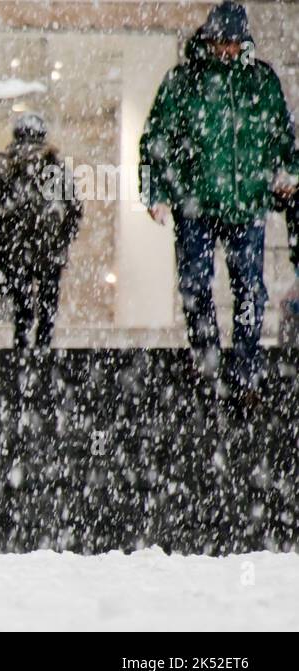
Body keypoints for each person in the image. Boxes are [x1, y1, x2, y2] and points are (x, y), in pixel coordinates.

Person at [141, 2, 299, 392]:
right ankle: (207, 357)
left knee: (249, 287)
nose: (226, 49)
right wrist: (153, 192)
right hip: (195, 202)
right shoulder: (183, 82)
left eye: (232, 42)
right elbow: (155, 141)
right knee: (195, 284)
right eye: (220, 42)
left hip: (246, 204)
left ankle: (245, 362)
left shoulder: (261, 82)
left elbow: (283, 136)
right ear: (209, 39)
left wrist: (290, 171)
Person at [0, 113, 82, 350]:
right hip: (49, 246)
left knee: (21, 300)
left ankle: (21, 344)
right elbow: (73, 206)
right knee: (48, 298)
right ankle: (44, 344)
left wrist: (2, 235)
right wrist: (63, 238)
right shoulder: (54, 165)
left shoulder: (2, 164)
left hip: (15, 247)